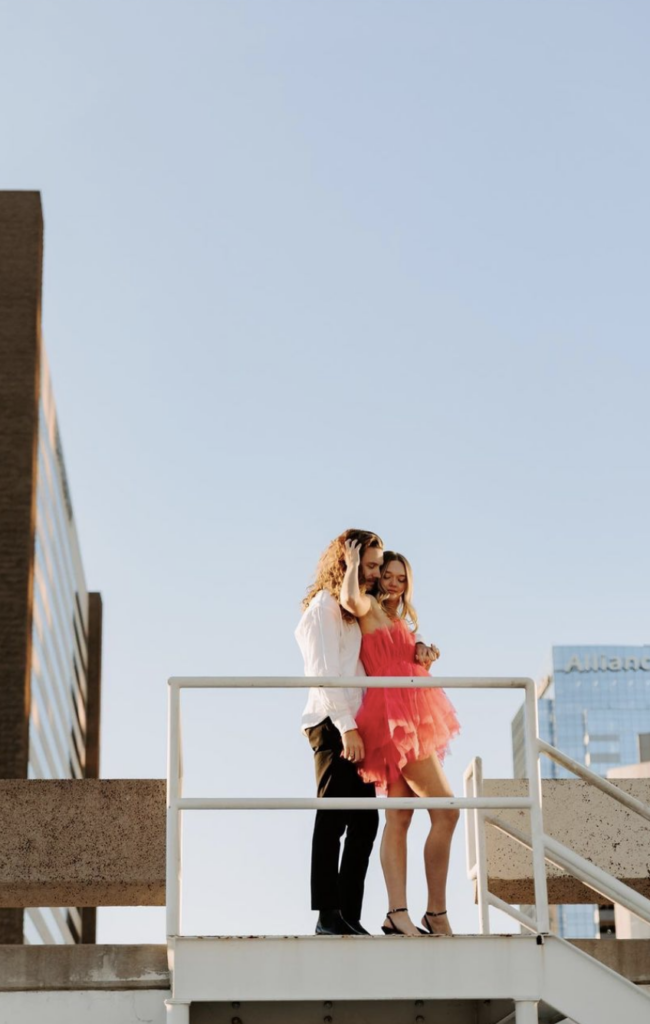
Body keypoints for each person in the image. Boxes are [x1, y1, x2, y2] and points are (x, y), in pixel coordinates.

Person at [296, 529, 437, 936]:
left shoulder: (353, 610)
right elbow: (324, 675)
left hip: (357, 724)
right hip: (331, 723)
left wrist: (421, 645)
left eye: (378, 566)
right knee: (333, 819)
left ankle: (349, 915)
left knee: (365, 823)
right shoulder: (323, 608)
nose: (376, 574)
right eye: (371, 565)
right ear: (348, 562)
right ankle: (327, 916)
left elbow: (389, 639)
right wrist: (347, 728)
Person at [340, 544, 460, 937]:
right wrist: (355, 564)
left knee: (400, 816)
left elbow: (408, 654)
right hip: (396, 715)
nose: (391, 582)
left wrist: (423, 652)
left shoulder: (400, 619)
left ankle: (397, 913)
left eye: (400, 577)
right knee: (447, 812)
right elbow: (350, 598)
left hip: (412, 709)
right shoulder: (370, 608)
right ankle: (435, 913)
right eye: (386, 574)